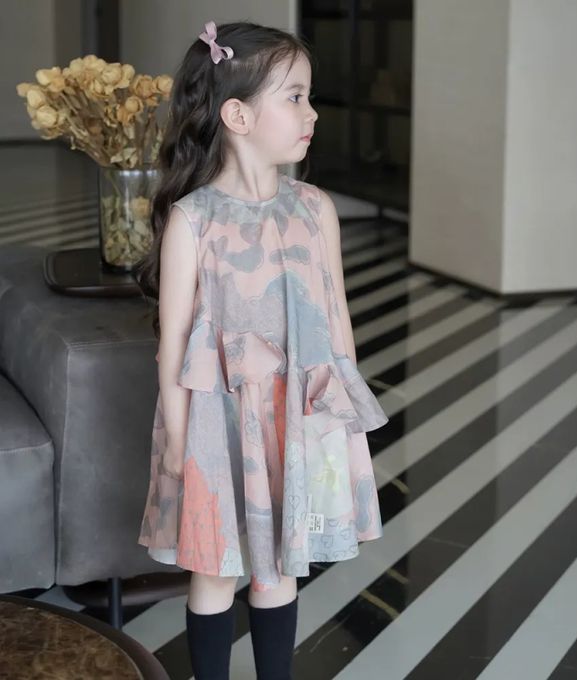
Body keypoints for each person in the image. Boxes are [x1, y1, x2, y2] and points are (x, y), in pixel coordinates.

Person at [134, 20, 389, 680]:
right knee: (217, 568)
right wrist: (181, 445)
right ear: (238, 115)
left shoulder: (315, 208)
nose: (312, 113)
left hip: (298, 417)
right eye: (295, 97)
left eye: (310, 97)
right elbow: (173, 345)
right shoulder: (195, 220)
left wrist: (344, 416)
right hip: (217, 425)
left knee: (279, 566)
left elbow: (336, 319)